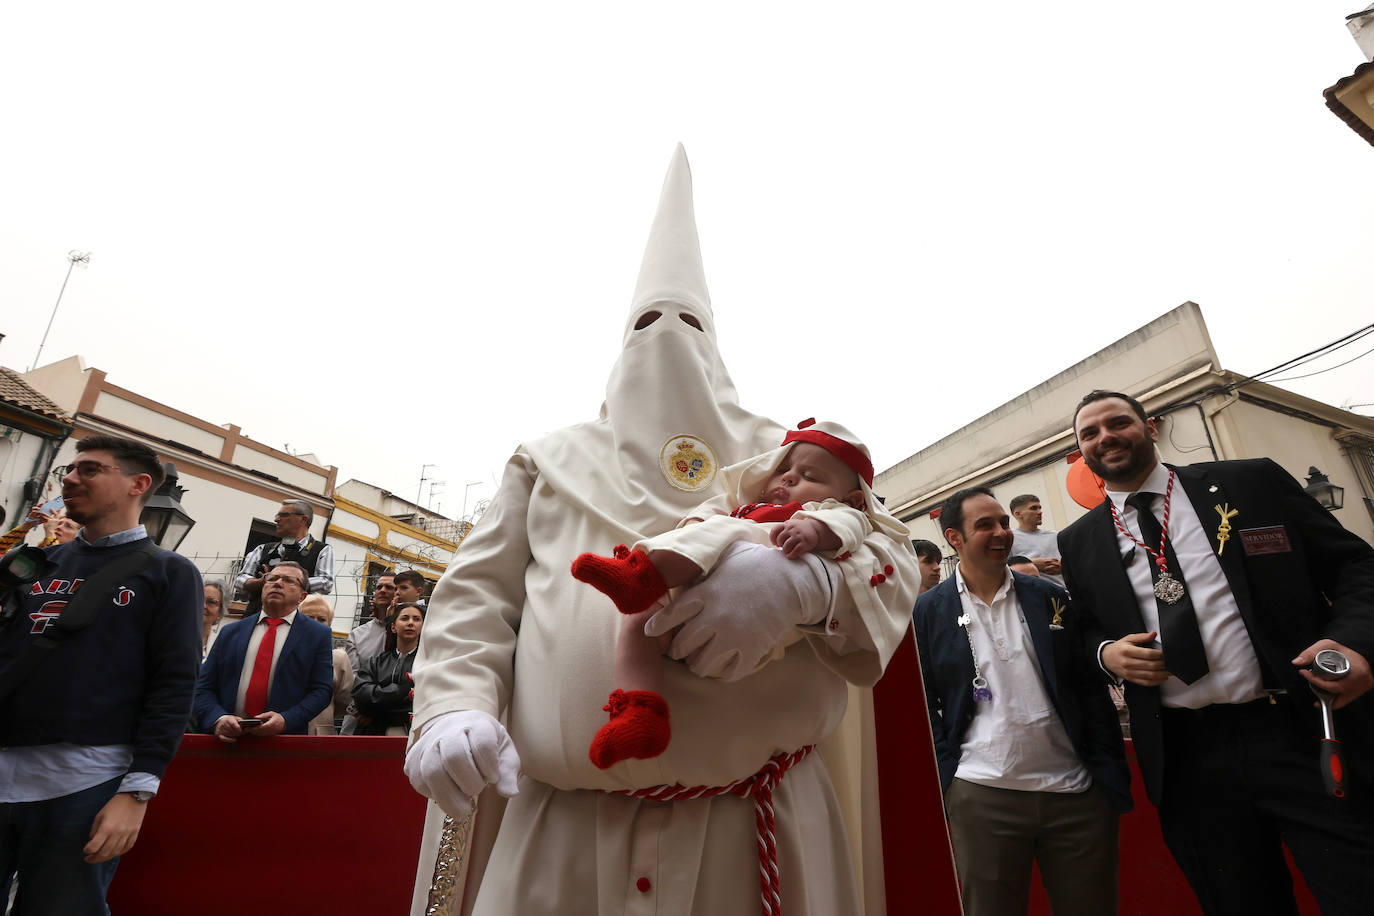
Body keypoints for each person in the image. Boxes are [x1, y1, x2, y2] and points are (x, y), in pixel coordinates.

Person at [403, 146, 918, 916]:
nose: (666, 338)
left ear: (716, 345)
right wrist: (454, 703)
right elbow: (476, 596)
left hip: (757, 827)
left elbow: (892, 549)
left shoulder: (787, 458)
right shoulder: (547, 460)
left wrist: (808, 584)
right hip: (561, 834)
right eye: (647, 322)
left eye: (687, 324)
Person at [1058, 389, 1374, 915]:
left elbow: (1356, 568)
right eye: (1089, 433)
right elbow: (1085, 627)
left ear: (1150, 427)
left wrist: (1358, 644)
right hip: (1186, 759)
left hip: (1297, 727)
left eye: (1118, 423)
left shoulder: (1250, 483)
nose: (1104, 437)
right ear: (1081, 453)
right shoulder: (1080, 540)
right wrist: (1107, 653)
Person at [573, 419, 907, 768]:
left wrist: (813, 530)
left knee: (722, 532)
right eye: (784, 470)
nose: (789, 478)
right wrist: (695, 525)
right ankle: (639, 709)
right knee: (639, 620)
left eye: (810, 476)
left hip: (749, 617)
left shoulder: (826, 513)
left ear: (852, 499)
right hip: (689, 594)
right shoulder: (742, 507)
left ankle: (641, 574)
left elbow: (850, 526)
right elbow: (704, 515)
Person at [0, 435, 202, 913]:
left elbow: (174, 684)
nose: (70, 478)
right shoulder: (35, 563)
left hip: (85, 785)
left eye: (90, 470)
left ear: (138, 484)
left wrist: (137, 790)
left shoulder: (169, 573)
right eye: (70, 469)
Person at [914, 487, 1130, 916]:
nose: (1001, 532)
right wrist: (950, 780)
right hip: (982, 796)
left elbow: (1088, 687)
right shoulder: (928, 611)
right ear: (954, 538)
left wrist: (1103, 771)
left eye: (1004, 523)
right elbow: (925, 699)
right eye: (986, 525)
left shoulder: (1049, 597)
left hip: (1075, 795)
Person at [193, 561, 333, 741]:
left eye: (289, 580)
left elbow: (321, 691)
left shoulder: (317, 635)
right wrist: (218, 719)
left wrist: (285, 720)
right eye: (271, 578)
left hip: (282, 744)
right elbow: (204, 687)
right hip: (227, 742)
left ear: (302, 596)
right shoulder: (230, 632)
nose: (277, 583)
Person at [233, 499, 334, 616]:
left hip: (296, 623)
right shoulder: (262, 549)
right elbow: (240, 580)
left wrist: (287, 581)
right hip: (256, 618)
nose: (276, 520)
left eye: (284, 515)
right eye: (277, 515)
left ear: (303, 519)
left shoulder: (322, 550)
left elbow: (326, 583)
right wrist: (259, 582)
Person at [352, 602, 424, 736]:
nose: (410, 623)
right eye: (404, 618)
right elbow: (361, 696)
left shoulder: (428, 663)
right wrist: (405, 691)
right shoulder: (376, 662)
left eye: (416, 619)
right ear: (393, 627)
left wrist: (377, 710)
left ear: (423, 627)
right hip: (373, 734)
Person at [298, 594, 353, 735]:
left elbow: (344, 700)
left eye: (322, 619)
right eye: (309, 618)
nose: (315, 623)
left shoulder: (338, 658)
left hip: (320, 734)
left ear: (329, 624)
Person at [1008, 493, 1064, 587]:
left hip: (1064, 593)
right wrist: (1031, 564)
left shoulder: (1056, 536)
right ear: (1018, 514)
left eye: (1040, 508)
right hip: (1032, 593)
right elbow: (1002, 568)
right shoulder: (1009, 537)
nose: (1040, 512)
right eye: (1034, 508)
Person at [345, 572, 395, 672]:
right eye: (379, 587)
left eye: (389, 587)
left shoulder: (409, 632)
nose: (383, 590)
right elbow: (352, 676)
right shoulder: (356, 635)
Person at [201, 580, 228, 662]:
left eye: (211, 602)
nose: (203, 605)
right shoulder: (172, 637)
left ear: (220, 612)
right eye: (200, 599)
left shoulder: (223, 648)